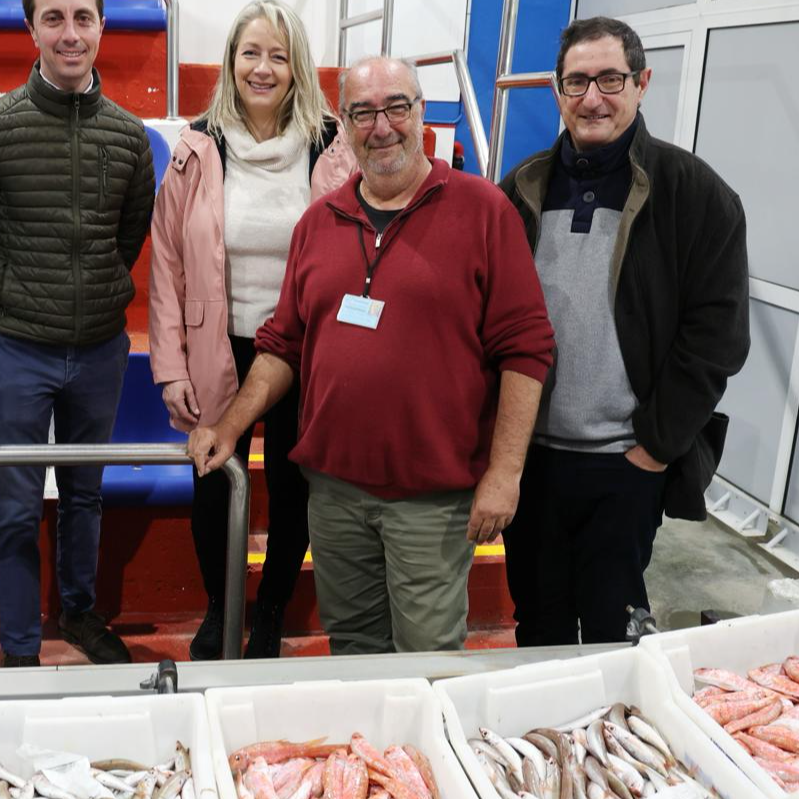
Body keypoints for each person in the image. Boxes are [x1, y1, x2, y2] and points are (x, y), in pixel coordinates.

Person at [188, 56, 554, 655]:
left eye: (396, 107)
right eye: (362, 112)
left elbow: (527, 348)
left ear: (421, 113)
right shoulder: (318, 222)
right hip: (334, 493)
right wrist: (230, 427)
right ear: (344, 125)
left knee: (426, 656)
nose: (381, 126)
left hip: (430, 498)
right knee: (353, 647)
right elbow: (283, 344)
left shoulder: (484, 210)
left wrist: (505, 472)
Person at [498, 16, 749, 646]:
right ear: (557, 90)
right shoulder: (521, 191)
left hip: (626, 464)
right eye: (576, 82)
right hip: (534, 462)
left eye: (610, 79)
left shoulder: (695, 194)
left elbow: (717, 338)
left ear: (642, 83)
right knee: (539, 625)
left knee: (615, 630)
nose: (592, 98)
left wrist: (654, 450)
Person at [0, 0, 155, 668]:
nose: (70, 33)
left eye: (83, 18)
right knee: (16, 504)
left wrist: (86, 291)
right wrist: (15, 294)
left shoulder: (129, 137)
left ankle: (79, 612)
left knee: (86, 496)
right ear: (31, 30)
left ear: (102, 26)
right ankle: (19, 650)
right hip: (18, 351)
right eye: (54, 18)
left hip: (100, 349)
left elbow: (128, 236)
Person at [148, 0, 353, 661]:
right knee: (213, 482)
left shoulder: (332, 146)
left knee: (294, 490)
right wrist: (171, 367)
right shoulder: (197, 145)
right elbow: (167, 262)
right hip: (219, 344)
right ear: (231, 61)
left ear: (298, 67)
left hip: (304, 351)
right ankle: (221, 605)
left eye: (278, 56)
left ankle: (269, 612)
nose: (263, 68)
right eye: (250, 53)